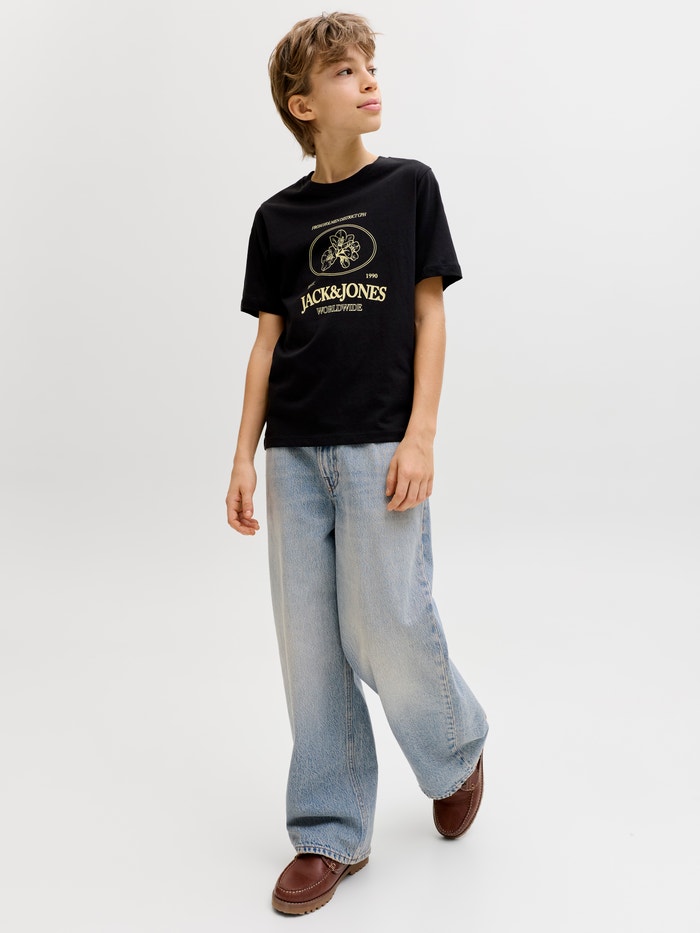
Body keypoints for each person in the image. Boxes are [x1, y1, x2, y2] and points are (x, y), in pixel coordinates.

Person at [226, 11, 489, 916]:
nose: (369, 80)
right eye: (345, 72)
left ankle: (454, 747)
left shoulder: (409, 187)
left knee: (386, 621)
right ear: (302, 104)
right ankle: (330, 828)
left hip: (382, 442)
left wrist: (421, 436)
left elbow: (429, 314)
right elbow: (267, 345)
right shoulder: (276, 219)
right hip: (294, 452)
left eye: (370, 66)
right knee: (309, 645)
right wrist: (243, 455)